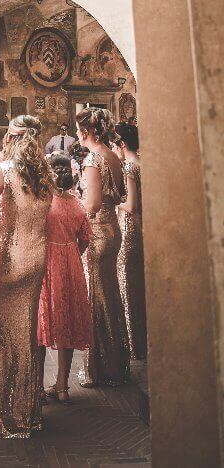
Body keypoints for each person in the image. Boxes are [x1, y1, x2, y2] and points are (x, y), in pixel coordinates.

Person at [0, 115, 53, 439]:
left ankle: (0, 412)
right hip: (36, 259)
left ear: (12, 138)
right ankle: (27, 412)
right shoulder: (45, 174)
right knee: (25, 334)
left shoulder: (0, 173)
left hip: (5, 260)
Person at [77, 107, 129, 386]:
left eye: (78, 129)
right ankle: (117, 359)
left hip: (98, 232)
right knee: (109, 293)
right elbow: (119, 194)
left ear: (86, 131)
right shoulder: (113, 156)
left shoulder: (93, 160)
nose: (76, 133)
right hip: (114, 230)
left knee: (97, 296)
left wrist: (74, 215)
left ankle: (103, 368)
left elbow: (92, 205)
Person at [37, 152, 92, 402]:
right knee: (67, 322)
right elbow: (86, 238)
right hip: (71, 263)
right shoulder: (77, 203)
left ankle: (36, 384)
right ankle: (62, 386)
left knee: (41, 322)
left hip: (47, 260)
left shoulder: (44, 202)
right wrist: (71, 251)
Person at [113, 122, 146, 360]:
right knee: (139, 286)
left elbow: (132, 206)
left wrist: (114, 200)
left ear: (122, 144)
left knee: (128, 287)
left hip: (130, 230)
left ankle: (134, 346)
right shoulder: (144, 162)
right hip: (144, 229)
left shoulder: (128, 168)